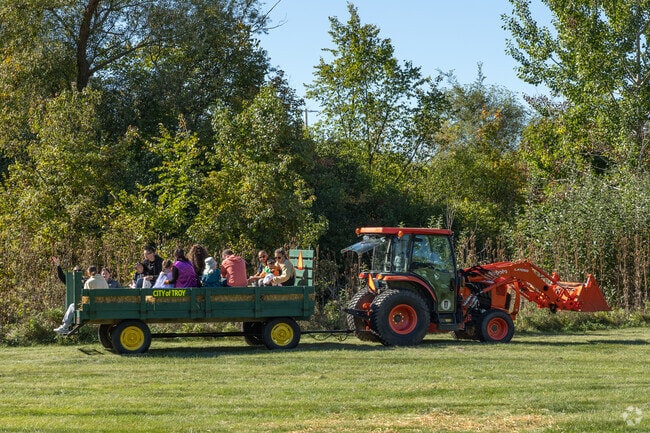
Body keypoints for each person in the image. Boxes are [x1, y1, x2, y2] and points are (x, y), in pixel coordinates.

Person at [54, 266, 108, 334]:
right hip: (104, 306)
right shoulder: (103, 280)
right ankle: (67, 326)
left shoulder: (89, 282)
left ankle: (65, 327)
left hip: (92, 307)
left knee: (73, 306)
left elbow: (85, 298)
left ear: (89, 273)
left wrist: (81, 304)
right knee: (74, 306)